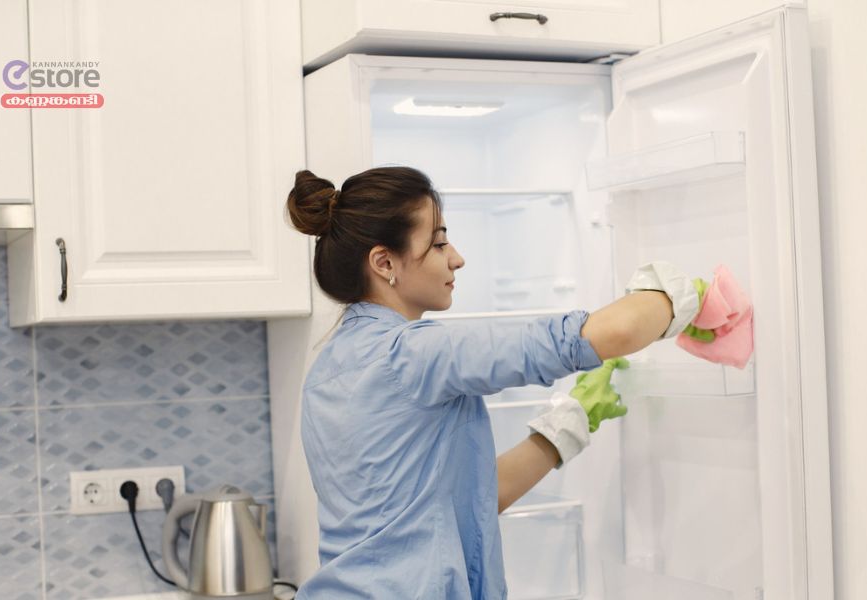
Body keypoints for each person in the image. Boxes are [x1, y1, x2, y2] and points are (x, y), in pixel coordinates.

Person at [286, 166, 700, 599]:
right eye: (439, 241)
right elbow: (611, 334)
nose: (456, 257)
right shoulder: (414, 353)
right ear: (384, 262)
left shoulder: (329, 367)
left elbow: (465, 503)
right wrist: (680, 295)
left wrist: (567, 426)